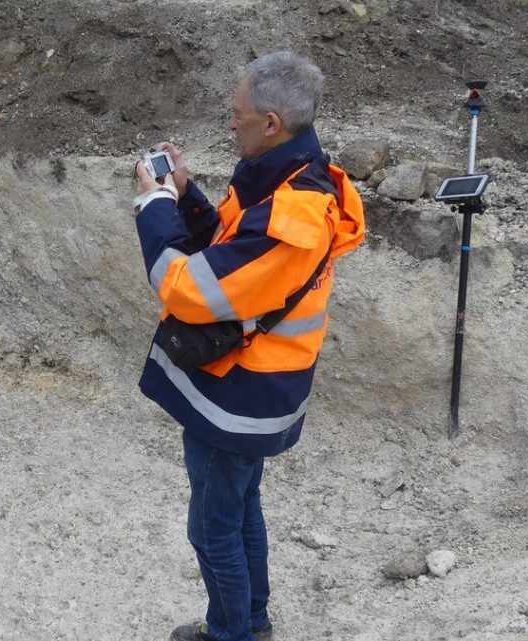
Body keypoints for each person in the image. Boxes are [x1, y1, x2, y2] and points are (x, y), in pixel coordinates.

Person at [129, 51, 366, 641]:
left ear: (271, 123)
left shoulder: (294, 211)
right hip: (260, 384)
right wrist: (185, 194)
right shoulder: (285, 174)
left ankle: (231, 633)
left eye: (237, 115)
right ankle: (250, 622)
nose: (228, 123)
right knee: (240, 508)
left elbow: (189, 289)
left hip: (242, 393)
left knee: (213, 527)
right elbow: (231, 249)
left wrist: (153, 206)